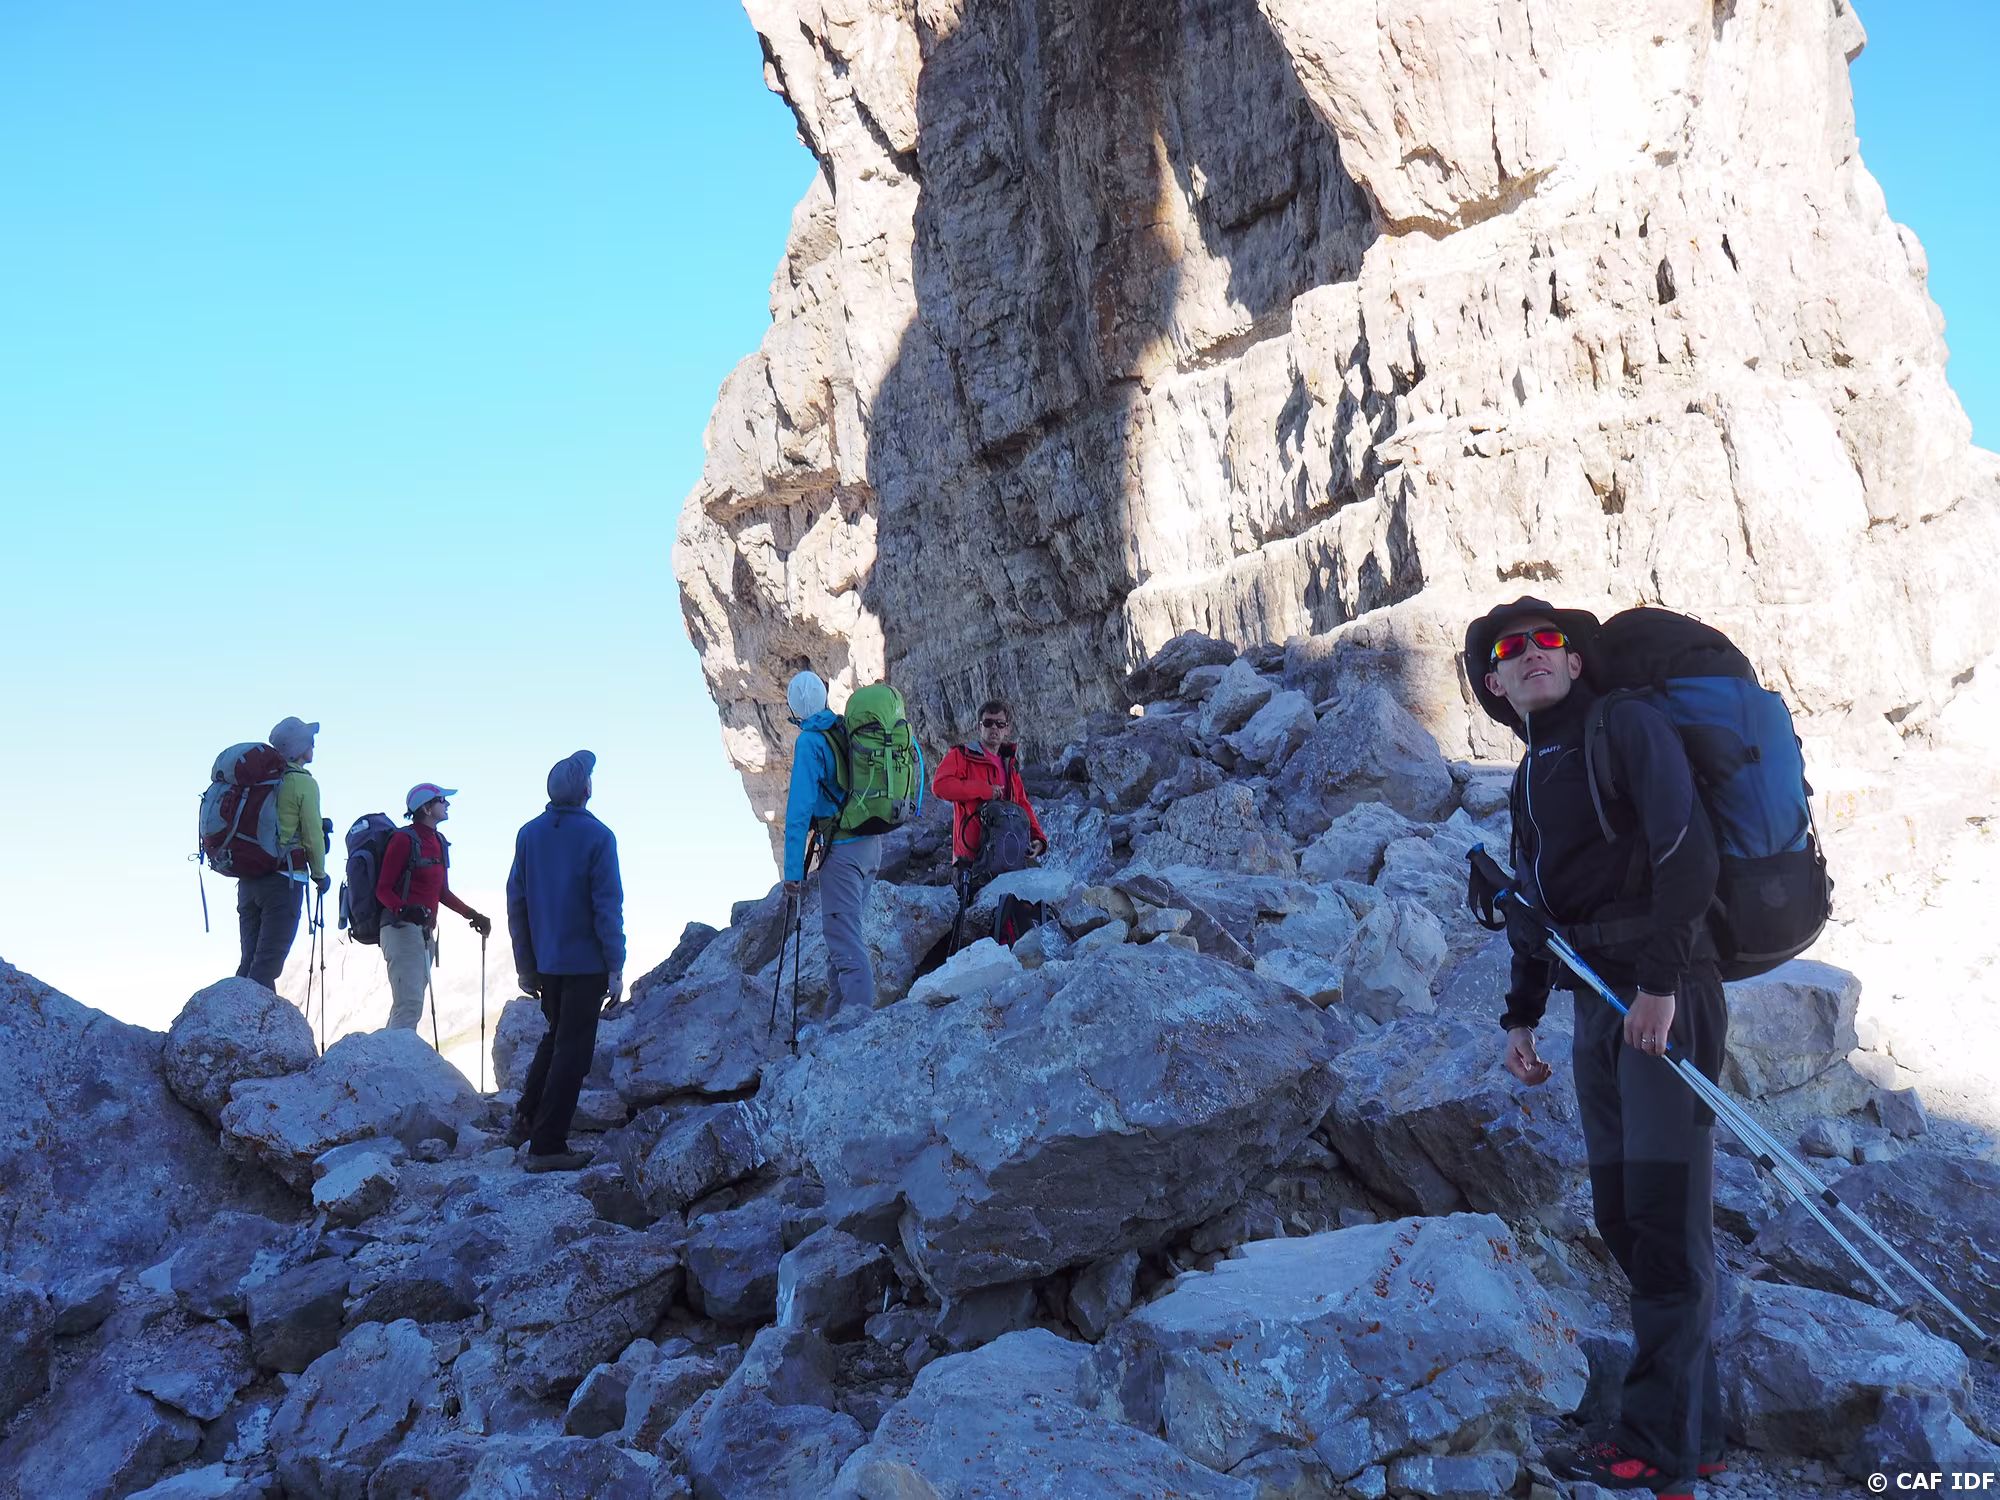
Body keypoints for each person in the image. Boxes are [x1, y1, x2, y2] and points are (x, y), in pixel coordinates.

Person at [1466, 596, 1725, 1500]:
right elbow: (1535, 909)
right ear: (1495, 684)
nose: (1533, 652)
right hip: (1597, 1010)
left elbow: (1688, 857)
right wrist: (1520, 1016)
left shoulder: (1626, 726)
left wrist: (1660, 984)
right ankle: (1699, 1426)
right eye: (1512, 649)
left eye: (1550, 640)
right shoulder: (1530, 774)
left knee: (1664, 1220)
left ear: (1576, 662)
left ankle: (1660, 1451)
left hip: (1663, 997)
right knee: (1621, 1215)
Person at [505, 750, 624, 1173]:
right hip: (586, 964)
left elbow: (517, 903)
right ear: (585, 789)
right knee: (573, 1052)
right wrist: (616, 965)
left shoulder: (529, 834)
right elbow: (606, 907)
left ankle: (525, 1119)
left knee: (555, 1037)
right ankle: (547, 1145)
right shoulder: (598, 837)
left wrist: (525, 965)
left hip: (546, 964)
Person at [781, 670, 880, 1013]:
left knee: (846, 944)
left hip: (843, 851)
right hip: (870, 845)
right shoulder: (842, 728)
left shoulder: (810, 742)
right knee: (841, 937)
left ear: (794, 709)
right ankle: (836, 1020)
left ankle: (858, 1026)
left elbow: (798, 811)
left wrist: (793, 872)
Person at [374, 784, 493, 1032]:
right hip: (400, 930)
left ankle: (387, 1051)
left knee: (408, 1004)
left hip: (423, 933)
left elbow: (442, 892)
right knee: (409, 1005)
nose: (447, 804)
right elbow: (382, 889)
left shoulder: (439, 841)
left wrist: (473, 915)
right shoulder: (403, 840)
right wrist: (403, 910)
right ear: (426, 808)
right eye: (441, 800)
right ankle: (396, 1055)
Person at [237, 715, 328, 990]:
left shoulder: (260, 781)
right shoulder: (302, 783)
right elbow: (312, 835)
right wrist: (320, 875)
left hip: (249, 879)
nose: (313, 745)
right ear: (298, 748)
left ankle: (233, 1011)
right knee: (266, 967)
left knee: (249, 962)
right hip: (284, 880)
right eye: (309, 740)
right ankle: (253, 1018)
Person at [931, 698, 1048, 868]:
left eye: (1000, 724)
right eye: (988, 723)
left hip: (1007, 855)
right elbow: (940, 786)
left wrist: (1038, 837)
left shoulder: (1009, 766)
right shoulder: (962, 756)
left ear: (1007, 729)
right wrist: (984, 790)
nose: (994, 728)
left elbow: (1022, 805)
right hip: (972, 859)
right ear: (979, 727)